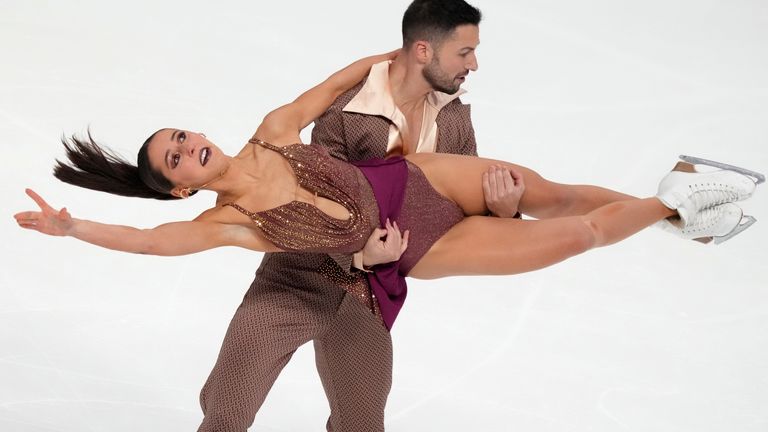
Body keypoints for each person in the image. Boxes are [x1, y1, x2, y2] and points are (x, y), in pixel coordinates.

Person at [14, 16, 761, 432]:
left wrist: (415, 58)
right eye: (175, 158)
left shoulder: (273, 129)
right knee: (580, 236)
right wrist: (74, 228)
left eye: (179, 134)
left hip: (421, 185)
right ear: (181, 190)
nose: (187, 145)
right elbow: (146, 243)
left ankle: (681, 203)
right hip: (385, 257)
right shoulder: (229, 224)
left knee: (554, 197)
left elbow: (345, 77)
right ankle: (676, 203)